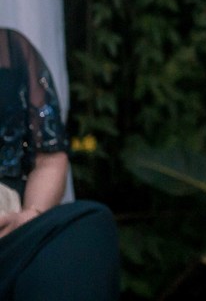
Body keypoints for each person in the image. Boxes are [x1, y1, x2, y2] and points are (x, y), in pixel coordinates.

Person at [0, 27, 120, 301]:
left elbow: (50, 157)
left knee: (89, 223)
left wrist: (30, 216)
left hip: (14, 234)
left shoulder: (12, 48)